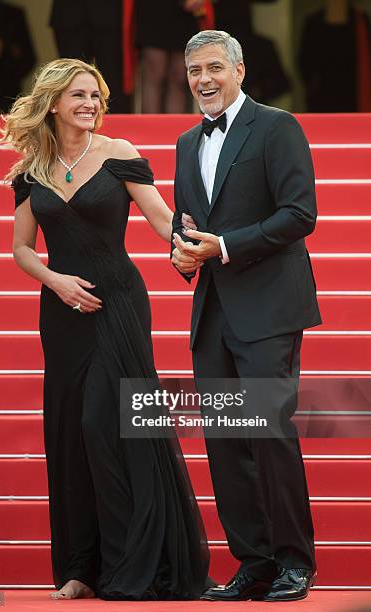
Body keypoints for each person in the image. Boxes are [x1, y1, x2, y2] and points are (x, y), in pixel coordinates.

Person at [0, 58, 208, 600]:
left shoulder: (120, 155)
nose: (90, 104)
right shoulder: (31, 170)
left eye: (96, 95)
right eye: (79, 96)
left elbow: (162, 219)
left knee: (106, 424)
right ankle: (81, 567)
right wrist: (55, 281)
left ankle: (133, 563)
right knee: (70, 433)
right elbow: (21, 247)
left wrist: (183, 244)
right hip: (62, 312)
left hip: (117, 305)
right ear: (53, 103)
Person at [171, 30, 321, 602]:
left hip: (268, 309)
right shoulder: (188, 141)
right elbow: (188, 223)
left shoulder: (278, 126)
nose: (203, 80)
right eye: (193, 72)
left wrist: (225, 246)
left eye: (213, 68)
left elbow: (299, 213)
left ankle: (293, 563)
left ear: (239, 70)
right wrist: (183, 252)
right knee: (224, 440)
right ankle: (254, 562)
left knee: (268, 433)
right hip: (212, 312)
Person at [49, 0, 130, 113]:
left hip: (109, 14)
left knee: (113, 82)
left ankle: (116, 128)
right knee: (70, 78)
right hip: (68, 12)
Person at [135, 0, 204, 113]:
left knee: (179, 77)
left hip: (184, 13)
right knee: (154, 72)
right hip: (153, 10)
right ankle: (149, 127)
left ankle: (174, 129)